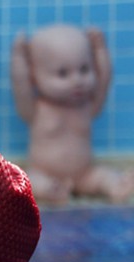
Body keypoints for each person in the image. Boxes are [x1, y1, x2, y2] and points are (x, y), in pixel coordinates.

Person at [10, 23, 134, 204]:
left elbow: (104, 81)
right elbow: (20, 86)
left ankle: (117, 185)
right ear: (34, 77)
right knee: (27, 179)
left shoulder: (87, 107)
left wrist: (100, 50)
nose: (77, 81)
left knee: (102, 175)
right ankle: (50, 190)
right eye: (62, 73)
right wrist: (18, 58)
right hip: (43, 172)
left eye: (84, 69)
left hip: (84, 174)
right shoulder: (35, 110)